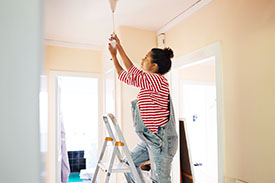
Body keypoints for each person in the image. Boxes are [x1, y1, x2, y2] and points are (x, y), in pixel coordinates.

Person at [108, 34, 178, 183]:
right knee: (128, 165)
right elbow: (124, 76)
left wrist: (119, 48)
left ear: (154, 66)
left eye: (146, 58)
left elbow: (132, 72)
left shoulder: (158, 80)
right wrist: (114, 56)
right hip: (149, 140)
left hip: (161, 142)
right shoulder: (148, 84)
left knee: (160, 180)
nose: (142, 60)